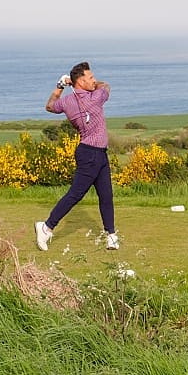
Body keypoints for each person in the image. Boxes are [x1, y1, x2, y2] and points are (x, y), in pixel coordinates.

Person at [35, 61, 118, 251]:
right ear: (80, 81)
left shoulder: (67, 101)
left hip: (96, 153)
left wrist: (60, 86)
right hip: (90, 154)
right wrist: (89, 85)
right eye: (90, 77)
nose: (94, 80)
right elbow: (106, 86)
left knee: (106, 195)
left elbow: (49, 106)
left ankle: (111, 236)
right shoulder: (96, 97)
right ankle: (46, 227)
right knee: (76, 194)